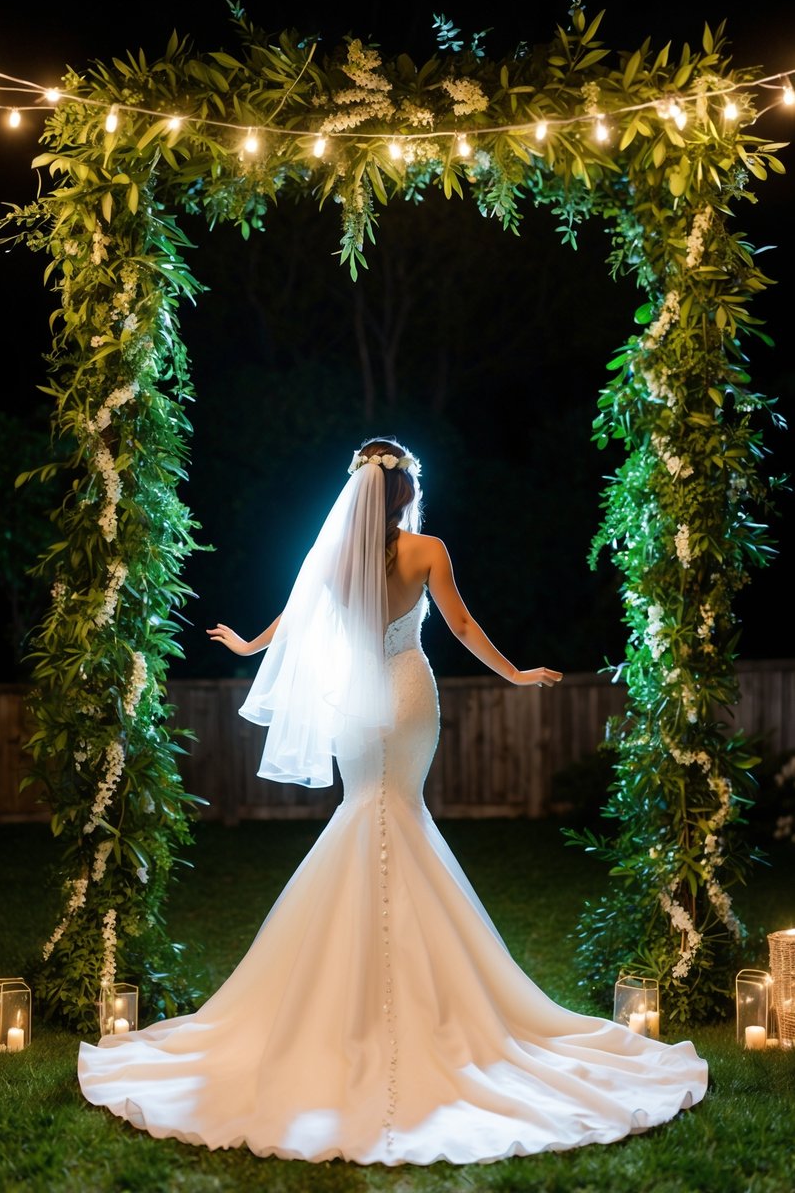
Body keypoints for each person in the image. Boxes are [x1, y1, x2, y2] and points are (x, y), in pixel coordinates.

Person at [78, 437, 708, 1165]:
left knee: (363, 812)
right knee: (397, 813)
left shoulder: (337, 555)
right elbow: (464, 627)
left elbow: (299, 614)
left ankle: (340, 998)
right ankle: (428, 1001)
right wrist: (515, 674)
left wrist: (252, 645)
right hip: (407, 696)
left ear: (360, 493)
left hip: (356, 702)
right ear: (407, 493)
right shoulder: (427, 550)